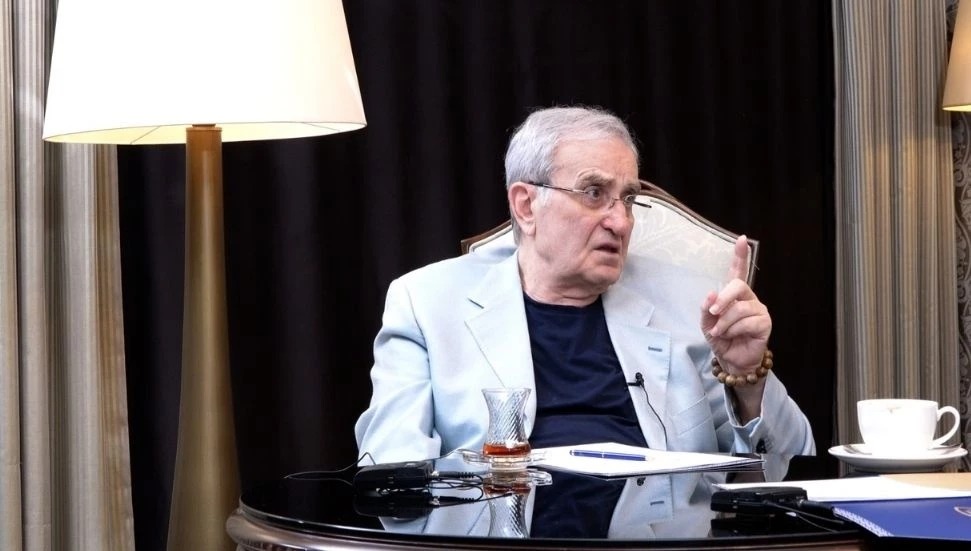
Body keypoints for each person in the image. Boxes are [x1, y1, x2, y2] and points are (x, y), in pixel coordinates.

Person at [355, 105, 815, 463]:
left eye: (628, 199)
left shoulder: (693, 304)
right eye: (594, 193)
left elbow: (792, 465)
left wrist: (749, 379)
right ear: (526, 206)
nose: (621, 221)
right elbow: (392, 469)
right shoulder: (427, 303)